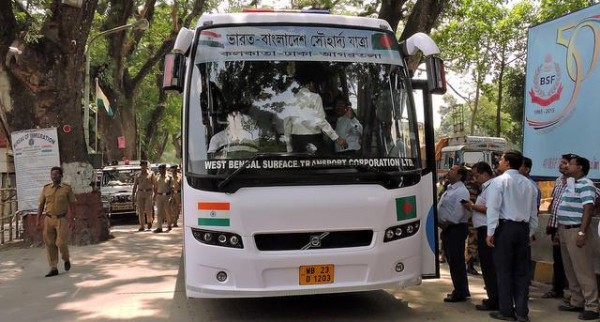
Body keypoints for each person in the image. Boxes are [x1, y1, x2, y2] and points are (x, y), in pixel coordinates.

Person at [486, 151, 538, 322]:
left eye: (501, 159)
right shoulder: (529, 184)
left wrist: (490, 232)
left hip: (505, 228)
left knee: (504, 271)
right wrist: (530, 232)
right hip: (522, 229)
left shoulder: (499, 182)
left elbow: (493, 208)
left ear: (507, 163)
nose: (499, 162)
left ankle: (506, 311)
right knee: (522, 272)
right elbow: (533, 213)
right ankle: (522, 312)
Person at [556, 154, 599, 321]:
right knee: (571, 269)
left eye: (571, 164)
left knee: (584, 270)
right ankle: (577, 300)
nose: (567, 167)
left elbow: (588, 208)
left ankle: (592, 306)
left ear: (580, 167)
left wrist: (582, 232)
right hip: (565, 230)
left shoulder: (587, 184)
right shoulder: (572, 183)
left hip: (576, 231)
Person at [462, 162, 498, 311]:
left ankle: (495, 299)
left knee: (490, 267)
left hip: (488, 230)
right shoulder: (486, 188)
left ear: (485, 174)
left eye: (477, 175)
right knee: (487, 266)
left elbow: (491, 209)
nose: (475, 179)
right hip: (484, 229)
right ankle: (492, 297)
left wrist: (472, 206)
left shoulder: (492, 187)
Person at [283, 77, 346, 154]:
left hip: (297, 142)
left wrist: (289, 147)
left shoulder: (289, 100)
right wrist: (336, 138)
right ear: (311, 84)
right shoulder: (315, 97)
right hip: (313, 139)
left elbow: (287, 126)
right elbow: (321, 121)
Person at [438, 165, 471, 302]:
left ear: (459, 175)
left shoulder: (462, 191)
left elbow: (458, 212)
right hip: (448, 228)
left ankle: (460, 291)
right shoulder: (450, 188)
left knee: (456, 261)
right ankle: (461, 289)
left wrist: (446, 224)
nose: (449, 172)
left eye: (452, 170)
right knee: (453, 260)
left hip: (455, 228)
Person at [37, 166, 76, 277]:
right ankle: (53, 267)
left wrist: (72, 219)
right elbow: (41, 204)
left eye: (57, 174)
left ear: (61, 176)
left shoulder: (66, 189)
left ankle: (66, 259)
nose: (54, 176)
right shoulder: (46, 189)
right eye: (52, 174)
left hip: (62, 219)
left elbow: (72, 205)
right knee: (50, 243)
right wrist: (38, 219)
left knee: (61, 242)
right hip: (48, 219)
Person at [542, 154, 570, 299]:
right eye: (560, 162)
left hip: (566, 226)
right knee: (557, 259)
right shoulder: (559, 180)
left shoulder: (574, 183)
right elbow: (555, 202)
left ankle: (570, 291)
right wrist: (550, 223)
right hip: (554, 225)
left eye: (564, 163)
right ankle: (557, 289)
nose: (560, 165)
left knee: (567, 261)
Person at [132, 160, 155, 231]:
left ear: (146, 166)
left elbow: (154, 184)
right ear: (141, 166)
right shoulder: (137, 174)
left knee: (148, 209)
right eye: (142, 165)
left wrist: (155, 194)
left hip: (148, 193)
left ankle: (149, 221)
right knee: (140, 210)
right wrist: (133, 195)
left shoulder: (151, 173)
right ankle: (142, 226)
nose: (143, 167)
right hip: (140, 193)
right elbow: (135, 185)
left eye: (145, 165)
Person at [153, 164, 173, 233]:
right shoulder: (157, 177)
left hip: (167, 196)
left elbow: (171, 188)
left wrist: (171, 197)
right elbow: (155, 187)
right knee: (159, 212)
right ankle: (159, 227)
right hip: (159, 196)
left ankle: (169, 224)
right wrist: (155, 195)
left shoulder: (169, 177)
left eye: (162, 169)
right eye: (160, 169)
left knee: (168, 212)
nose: (161, 171)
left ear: (165, 169)